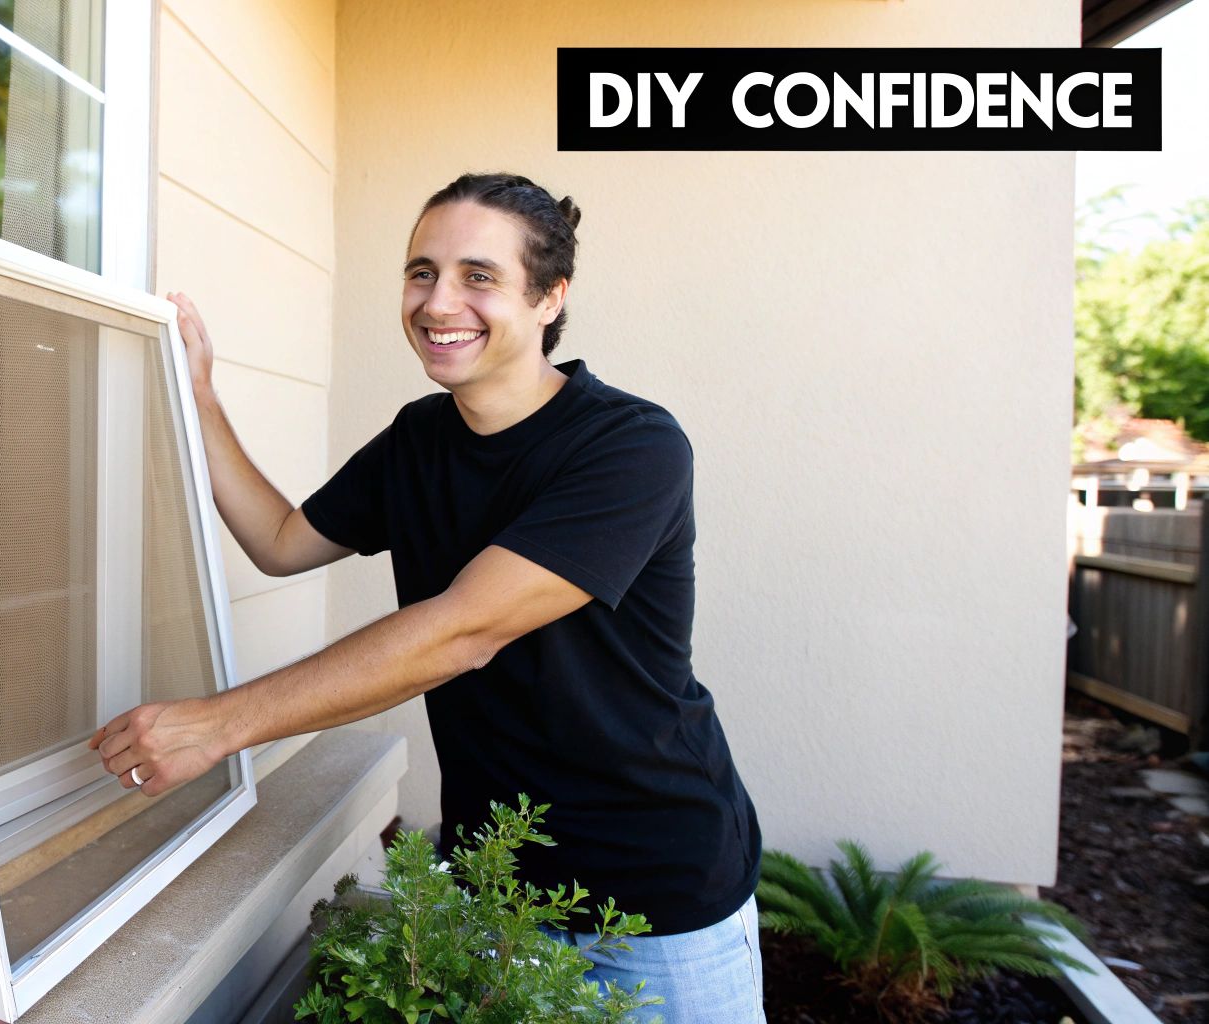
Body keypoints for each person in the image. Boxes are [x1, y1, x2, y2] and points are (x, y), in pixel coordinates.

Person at [88, 172, 764, 1022]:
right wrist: (199, 396)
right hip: (494, 881)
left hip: (653, 903)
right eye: (421, 272)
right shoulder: (419, 439)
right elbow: (282, 541)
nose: (439, 302)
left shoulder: (631, 445)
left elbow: (462, 631)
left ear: (550, 297)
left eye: (479, 276)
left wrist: (219, 726)